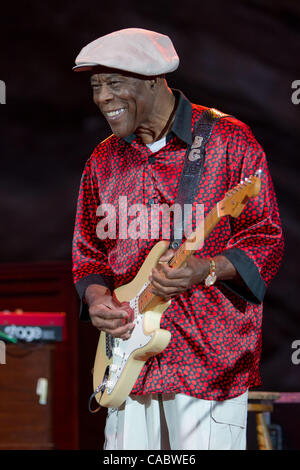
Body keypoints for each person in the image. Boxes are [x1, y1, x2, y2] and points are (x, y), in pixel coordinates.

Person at [72, 28, 284, 450]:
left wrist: (207, 268)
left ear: (153, 80)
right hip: (127, 357)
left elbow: (266, 238)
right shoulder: (103, 158)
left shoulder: (229, 141)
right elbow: (88, 256)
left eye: (115, 83)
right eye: (97, 87)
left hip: (207, 356)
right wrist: (98, 300)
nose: (103, 98)